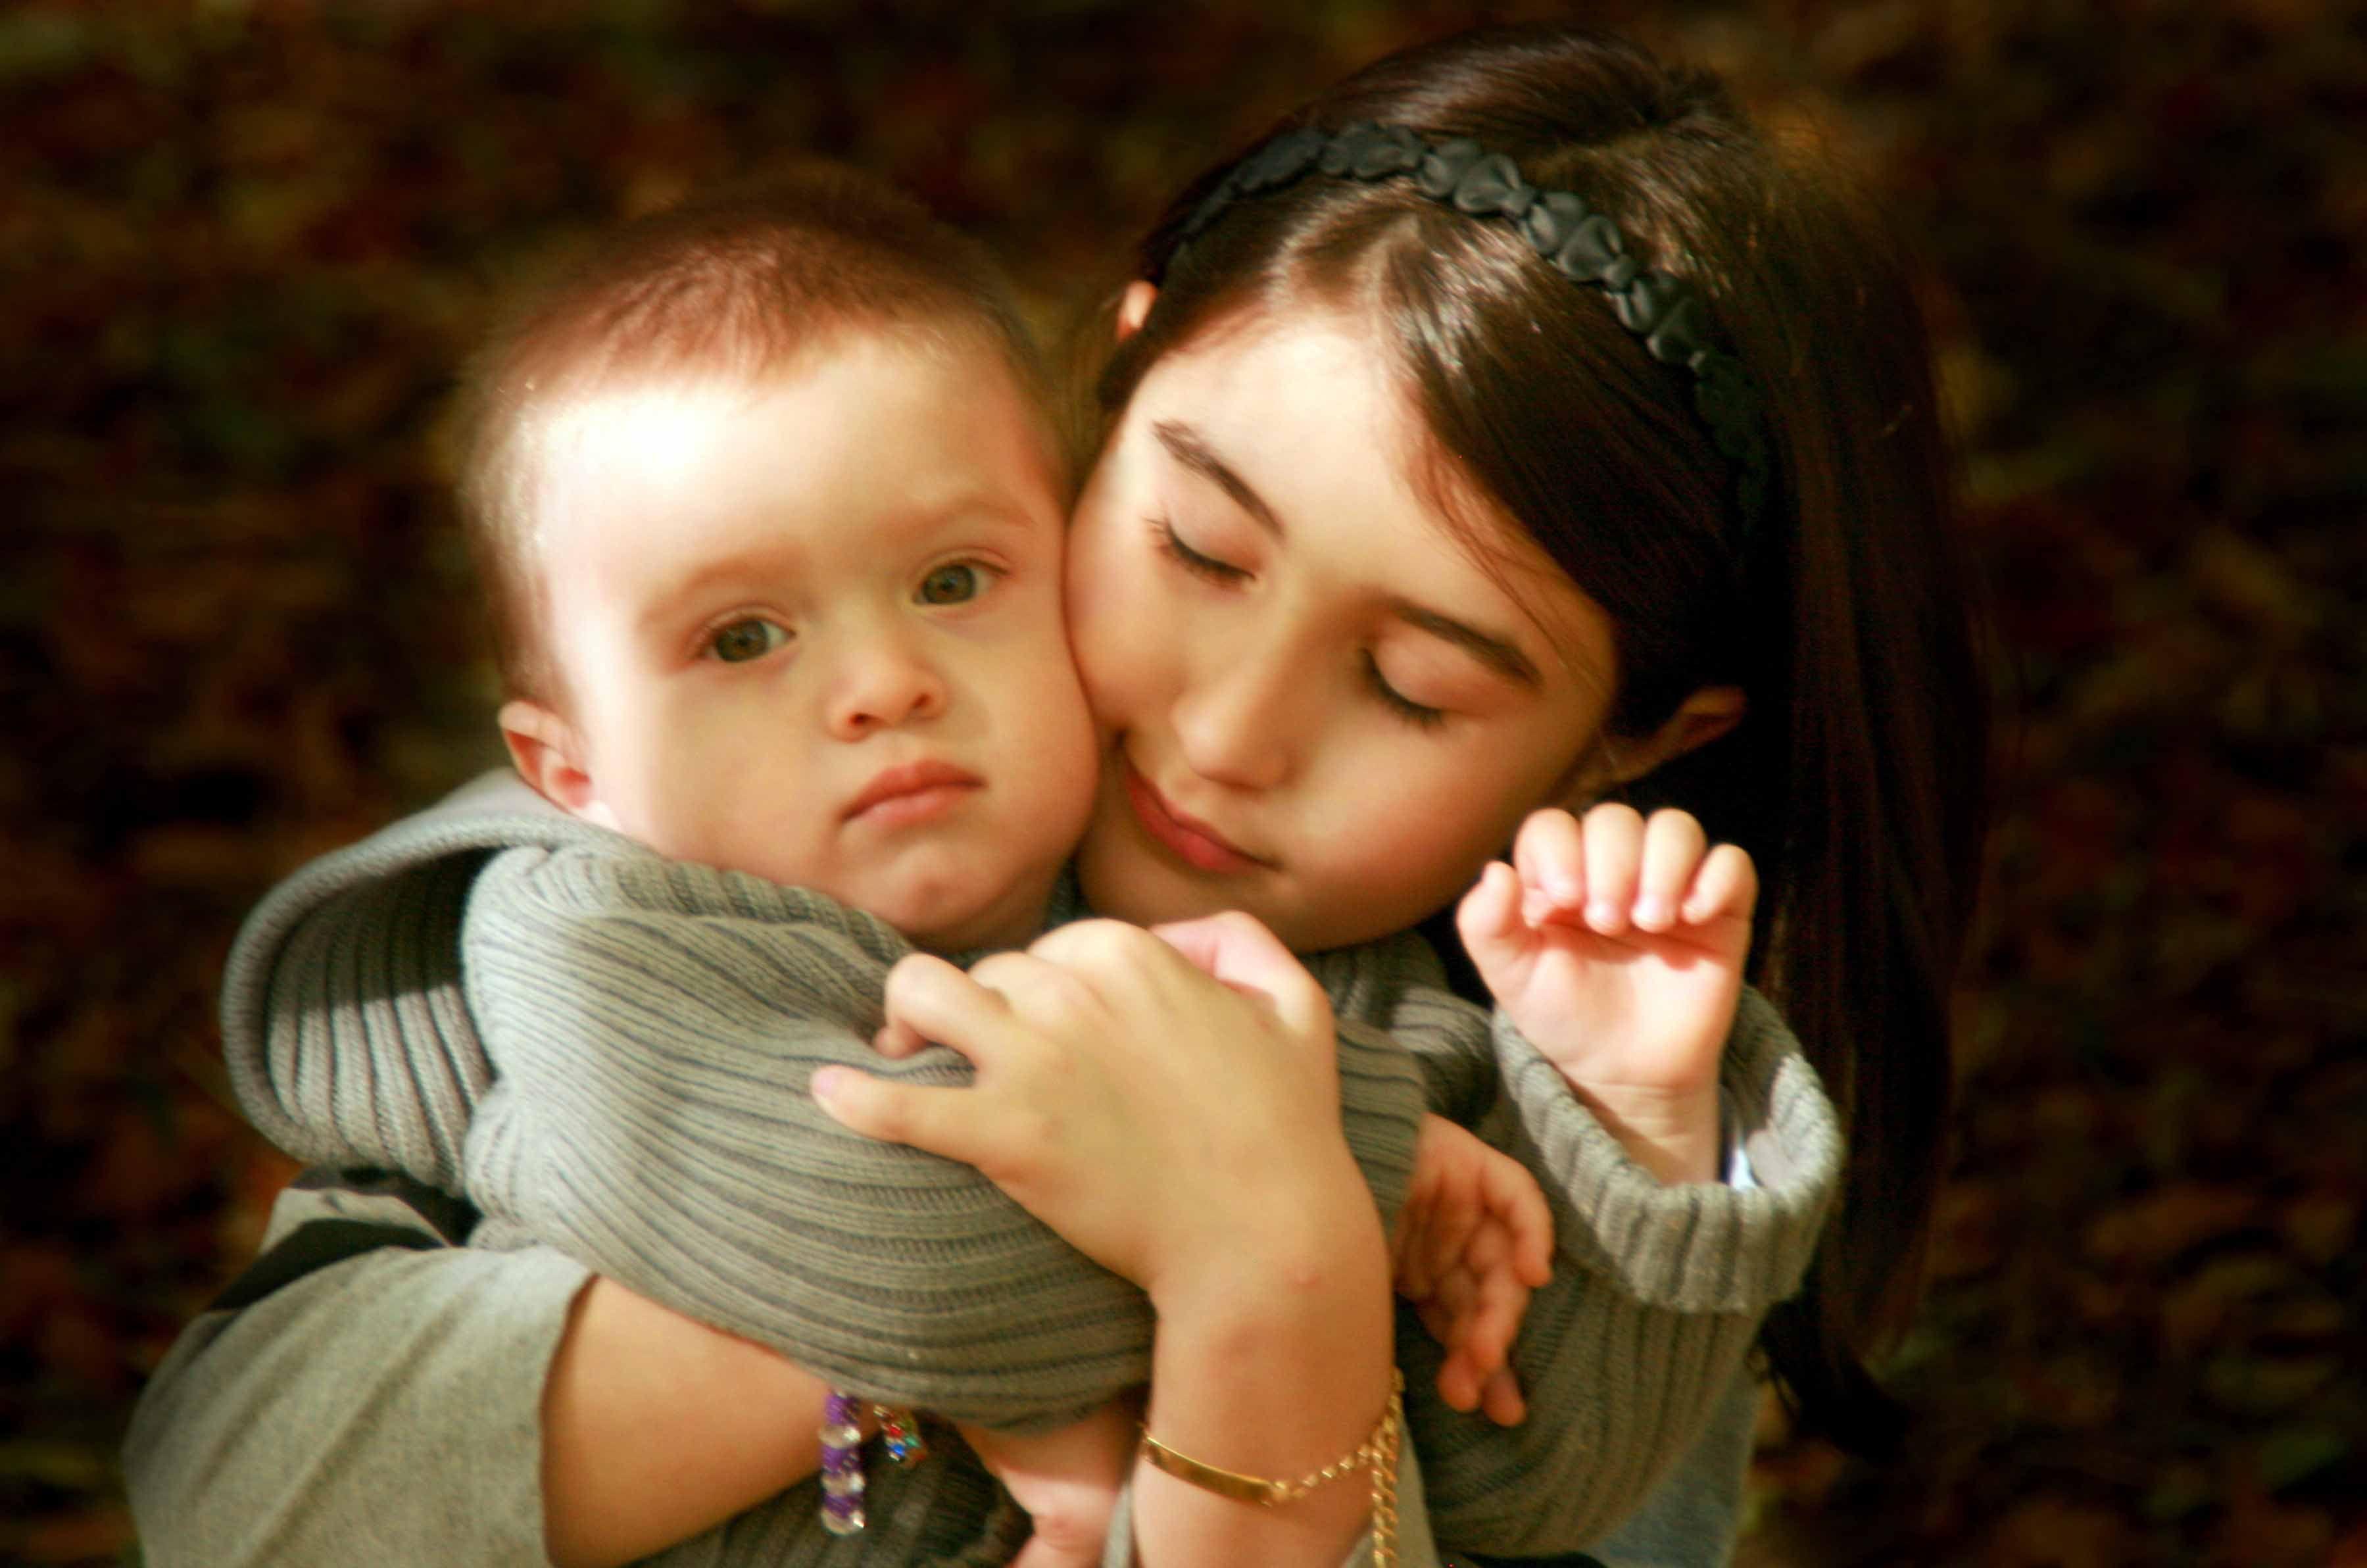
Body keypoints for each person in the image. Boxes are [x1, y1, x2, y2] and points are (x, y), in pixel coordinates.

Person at [126, 20, 1982, 1568]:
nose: (1229, 732)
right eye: (1195, 546)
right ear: (1117, 374)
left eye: (1409, 687)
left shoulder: (1519, 1109)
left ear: (1634, 745)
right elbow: (251, 1493)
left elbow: (1546, 1470)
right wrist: (1277, 1205)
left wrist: (1546, 1175)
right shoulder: (646, 867)